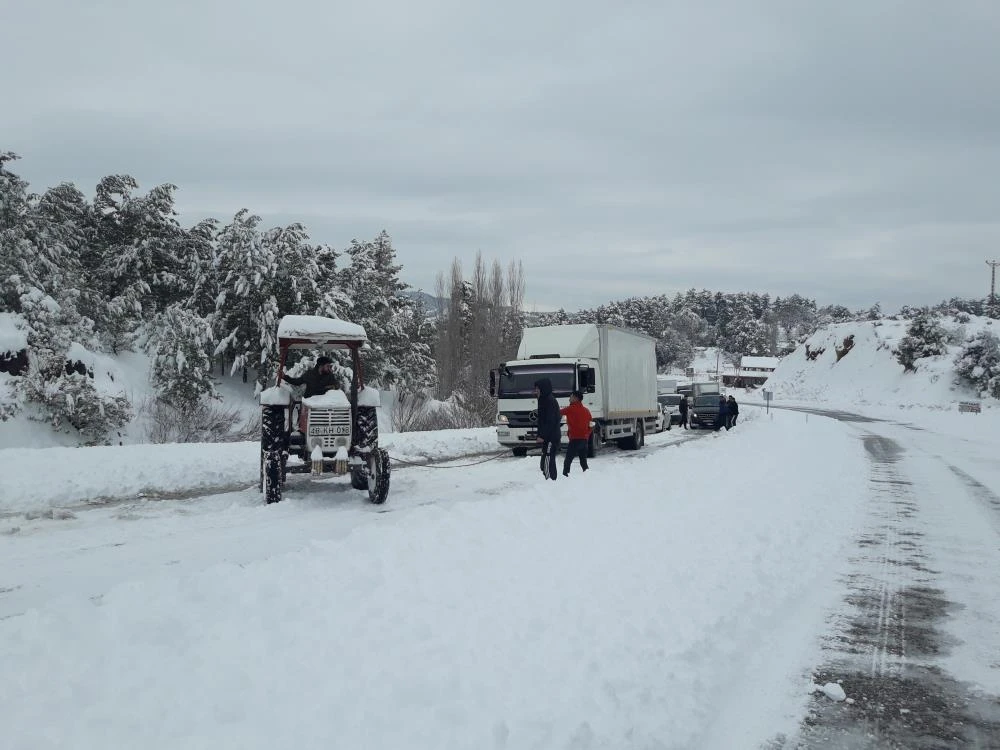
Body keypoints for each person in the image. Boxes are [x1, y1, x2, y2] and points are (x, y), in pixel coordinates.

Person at [533, 377, 562, 480]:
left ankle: (550, 480)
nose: (536, 391)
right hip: (548, 436)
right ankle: (547, 477)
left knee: (548, 458)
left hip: (551, 437)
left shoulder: (550, 401)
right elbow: (542, 421)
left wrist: (542, 436)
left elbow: (550, 421)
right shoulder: (543, 400)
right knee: (545, 458)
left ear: (543, 388)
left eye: (537, 388)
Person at [560, 390, 592, 476]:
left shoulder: (570, 409)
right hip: (584, 440)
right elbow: (591, 425)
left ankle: (565, 476)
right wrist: (587, 435)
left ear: (576, 398)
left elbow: (557, 412)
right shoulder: (587, 411)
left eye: (571, 397)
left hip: (574, 439)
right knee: (583, 461)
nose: (569, 399)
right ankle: (588, 476)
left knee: (568, 460)